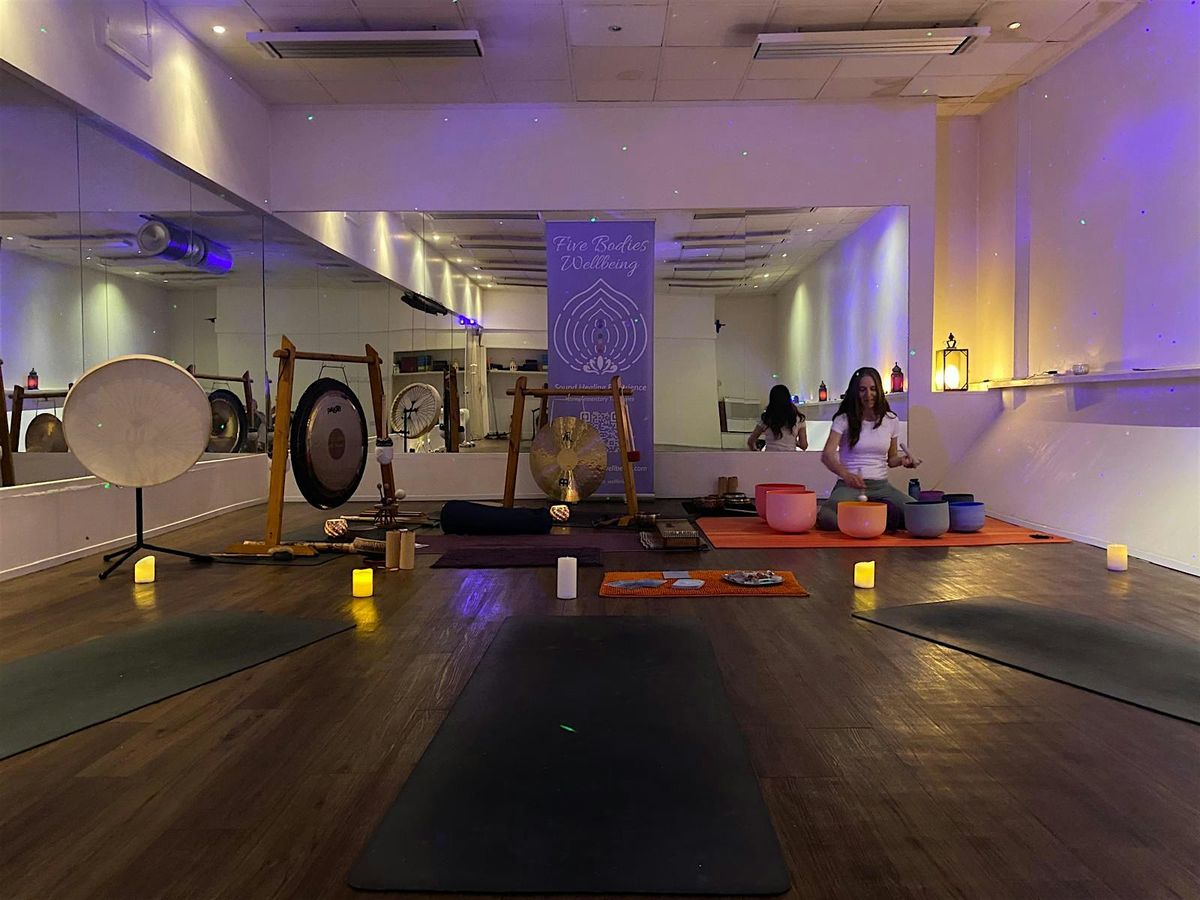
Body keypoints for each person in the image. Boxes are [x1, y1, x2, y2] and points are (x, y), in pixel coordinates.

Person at [816, 367, 920, 530]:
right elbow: (827, 455)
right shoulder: (843, 419)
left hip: (881, 487)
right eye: (862, 390)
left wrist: (903, 461)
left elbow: (891, 459)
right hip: (849, 486)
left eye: (873, 389)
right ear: (855, 393)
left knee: (918, 513)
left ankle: (868, 521)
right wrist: (846, 475)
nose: (868, 394)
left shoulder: (891, 420)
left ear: (879, 390)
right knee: (827, 517)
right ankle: (870, 522)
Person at [747, 384, 808, 452]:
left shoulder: (766, 418)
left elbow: (751, 441)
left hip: (770, 456)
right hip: (790, 456)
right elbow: (804, 445)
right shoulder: (799, 419)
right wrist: (794, 442)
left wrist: (755, 450)